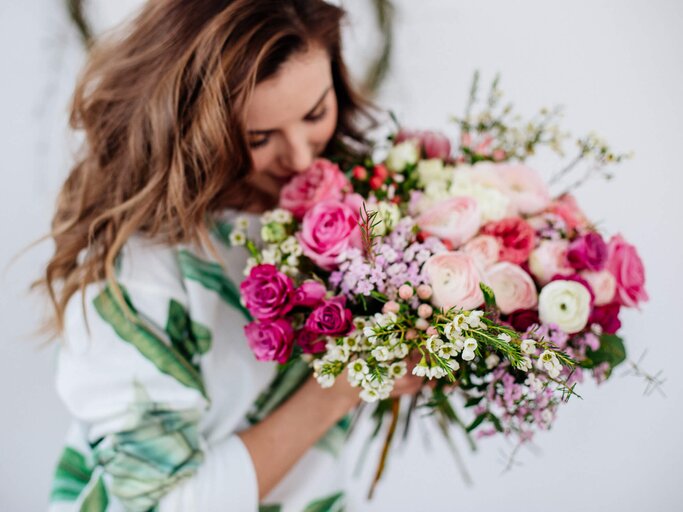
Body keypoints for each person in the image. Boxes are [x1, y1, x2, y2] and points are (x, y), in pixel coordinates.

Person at [38, 1, 422, 510]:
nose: (301, 157)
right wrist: (342, 388)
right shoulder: (142, 276)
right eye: (258, 138)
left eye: (316, 113)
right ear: (193, 129)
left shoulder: (350, 208)